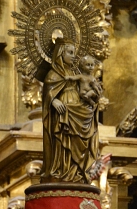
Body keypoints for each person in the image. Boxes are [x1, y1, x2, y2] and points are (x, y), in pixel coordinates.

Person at [41, 38, 99, 184]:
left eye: (74, 52)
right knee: (63, 139)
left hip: (77, 109)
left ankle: (77, 172)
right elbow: (48, 92)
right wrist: (53, 100)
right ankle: (61, 170)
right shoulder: (53, 74)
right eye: (70, 52)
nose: (73, 56)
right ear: (61, 53)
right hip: (62, 112)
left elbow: (86, 89)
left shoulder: (76, 72)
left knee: (79, 138)